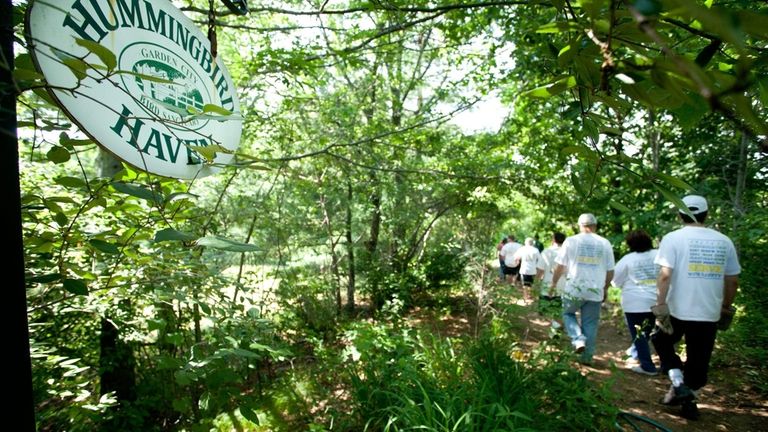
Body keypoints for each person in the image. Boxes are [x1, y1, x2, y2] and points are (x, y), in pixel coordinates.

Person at [651, 195, 740, 420]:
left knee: (661, 340)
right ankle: (686, 395)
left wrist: (660, 305)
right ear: (706, 214)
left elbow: (664, 276)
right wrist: (726, 306)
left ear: (680, 214)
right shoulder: (724, 241)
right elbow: (732, 280)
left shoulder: (672, 239)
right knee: (699, 359)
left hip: (678, 308)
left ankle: (678, 384)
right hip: (708, 311)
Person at [551, 213, 615, 365]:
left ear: (580, 225)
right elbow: (610, 270)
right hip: (595, 289)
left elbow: (560, 266)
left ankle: (578, 339)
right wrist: (605, 288)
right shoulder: (605, 243)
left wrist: (553, 283)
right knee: (590, 323)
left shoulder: (571, 241)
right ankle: (587, 358)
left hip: (574, 288)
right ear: (595, 226)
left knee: (567, 314)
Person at [612, 230, 659, 376]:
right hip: (656, 300)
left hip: (634, 302)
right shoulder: (659, 255)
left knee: (639, 335)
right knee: (646, 331)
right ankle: (636, 354)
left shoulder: (627, 259)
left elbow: (615, 281)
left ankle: (648, 366)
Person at [538, 232, 566, 314]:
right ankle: (556, 325)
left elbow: (540, 269)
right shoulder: (567, 253)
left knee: (544, 312)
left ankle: (545, 325)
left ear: (553, 239)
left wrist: (536, 282)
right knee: (558, 310)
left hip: (547, 285)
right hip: (562, 286)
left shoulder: (546, 251)